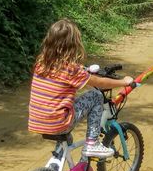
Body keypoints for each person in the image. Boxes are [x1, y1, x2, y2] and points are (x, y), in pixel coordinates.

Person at [27, 19, 134, 158]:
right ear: (73, 45)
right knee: (96, 96)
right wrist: (123, 82)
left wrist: (83, 70)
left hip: (37, 121)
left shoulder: (41, 63)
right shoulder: (71, 69)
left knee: (66, 141)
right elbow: (99, 82)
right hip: (59, 123)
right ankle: (92, 143)